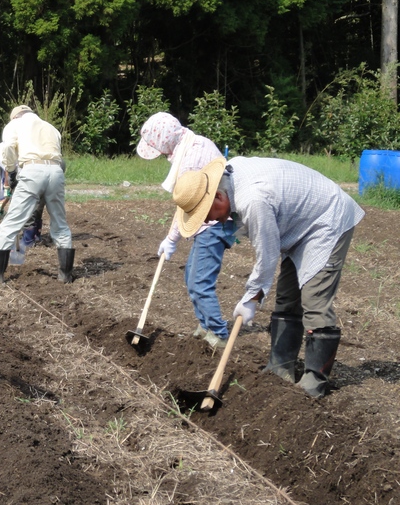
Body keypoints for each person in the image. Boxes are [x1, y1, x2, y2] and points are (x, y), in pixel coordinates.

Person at [172, 156, 365, 398]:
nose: (209, 221)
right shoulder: (228, 179)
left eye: (206, 214)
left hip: (326, 219)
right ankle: (280, 367)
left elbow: (267, 255)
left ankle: (314, 382)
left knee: (314, 299)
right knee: (287, 297)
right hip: (297, 224)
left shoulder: (253, 200)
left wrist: (251, 298)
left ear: (218, 197)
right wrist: (253, 295)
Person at [137, 112, 235, 349]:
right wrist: (171, 238)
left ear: (164, 143)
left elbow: (186, 206)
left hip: (214, 221)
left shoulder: (190, 160)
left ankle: (219, 334)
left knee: (200, 282)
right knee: (191, 274)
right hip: (208, 220)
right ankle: (205, 324)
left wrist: (172, 239)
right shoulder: (194, 142)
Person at [0, 105, 74, 283]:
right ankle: (65, 275)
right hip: (56, 172)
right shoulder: (51, 128)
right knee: (60, 223)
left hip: (32, 170)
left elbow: (8, 148)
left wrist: (11, 171)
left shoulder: (14, 125)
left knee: (10, 224)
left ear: (15, 116)